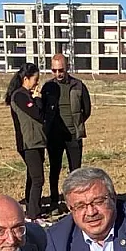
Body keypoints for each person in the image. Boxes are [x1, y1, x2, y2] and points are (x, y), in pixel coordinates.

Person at [40, 54, 91, 215]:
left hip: (73, 135)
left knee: (75, 171)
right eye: (54, 70)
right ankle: (55, 202)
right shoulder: (47, 87)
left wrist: (77, 123)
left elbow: (87, 109)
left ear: (67, 67)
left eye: (60, 70)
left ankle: (75, 202)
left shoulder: (78, 85)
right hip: (54, 136)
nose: (57, 73)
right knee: (54, 170)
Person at [6, 64, 47, 223]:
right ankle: (33, 214)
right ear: (25, 79)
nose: (37, 83)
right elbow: (37, 114)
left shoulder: (26, 95)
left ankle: (32, 209)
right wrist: (37, 98)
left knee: (32, 176)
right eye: (35, 80)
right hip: (29, 142)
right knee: (38, 178)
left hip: (37, 141)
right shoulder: (20, 96)